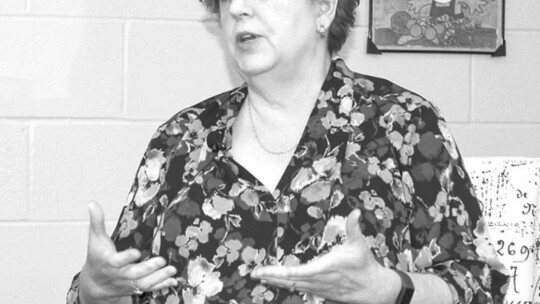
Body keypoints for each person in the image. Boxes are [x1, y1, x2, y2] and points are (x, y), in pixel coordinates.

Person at [67, 0, 509, 303]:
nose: (237, 7)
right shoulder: (180, 140)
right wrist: (95, 288)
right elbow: (115, 287)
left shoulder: (404, 126)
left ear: (324, 7)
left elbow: (480, 285)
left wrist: (390, 289)